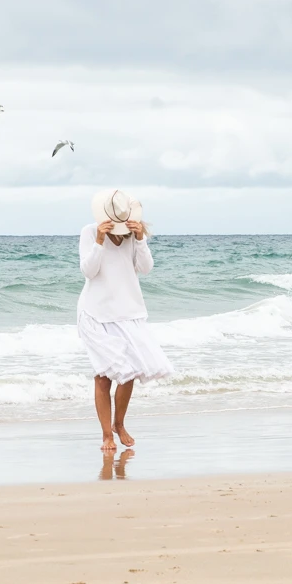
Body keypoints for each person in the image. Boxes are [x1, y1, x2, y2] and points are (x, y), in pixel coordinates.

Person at [77, 189, 174, 451]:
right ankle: (106, 435)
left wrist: (140, 238)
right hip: (95, 313)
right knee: (102, 377)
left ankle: (119, 424)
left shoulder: (133, 234)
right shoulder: (89, 232)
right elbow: (89, 270)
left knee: (129, 373)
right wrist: (99, 241)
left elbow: (145, 268)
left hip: (128, 312)